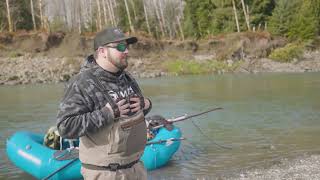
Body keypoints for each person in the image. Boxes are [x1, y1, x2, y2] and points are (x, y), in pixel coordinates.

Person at [56, 27, 152, 180]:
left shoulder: (127, 78)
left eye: (127, 46)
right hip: (106, 173)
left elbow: (134, 114)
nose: (126, 51)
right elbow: (65, 127)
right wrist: (107, 113)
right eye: (120, 47)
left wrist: (146, 104)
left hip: (136, 170)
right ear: (102, 51)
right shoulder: (82, 83)